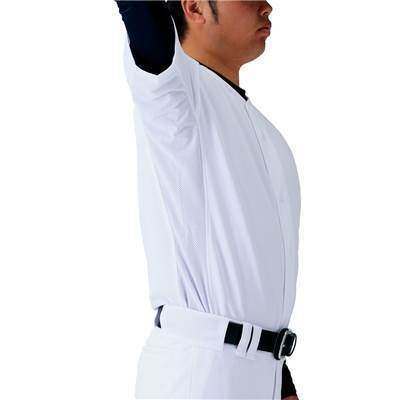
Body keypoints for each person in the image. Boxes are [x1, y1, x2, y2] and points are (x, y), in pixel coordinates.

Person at [115, 1, 301, 399]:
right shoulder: (175, 97)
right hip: (199, 371)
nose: (266, 7)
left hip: (261, 373)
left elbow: (257, 278)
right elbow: (147, 24)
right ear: (195, 7)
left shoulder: (265, 132)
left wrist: (282, 383)